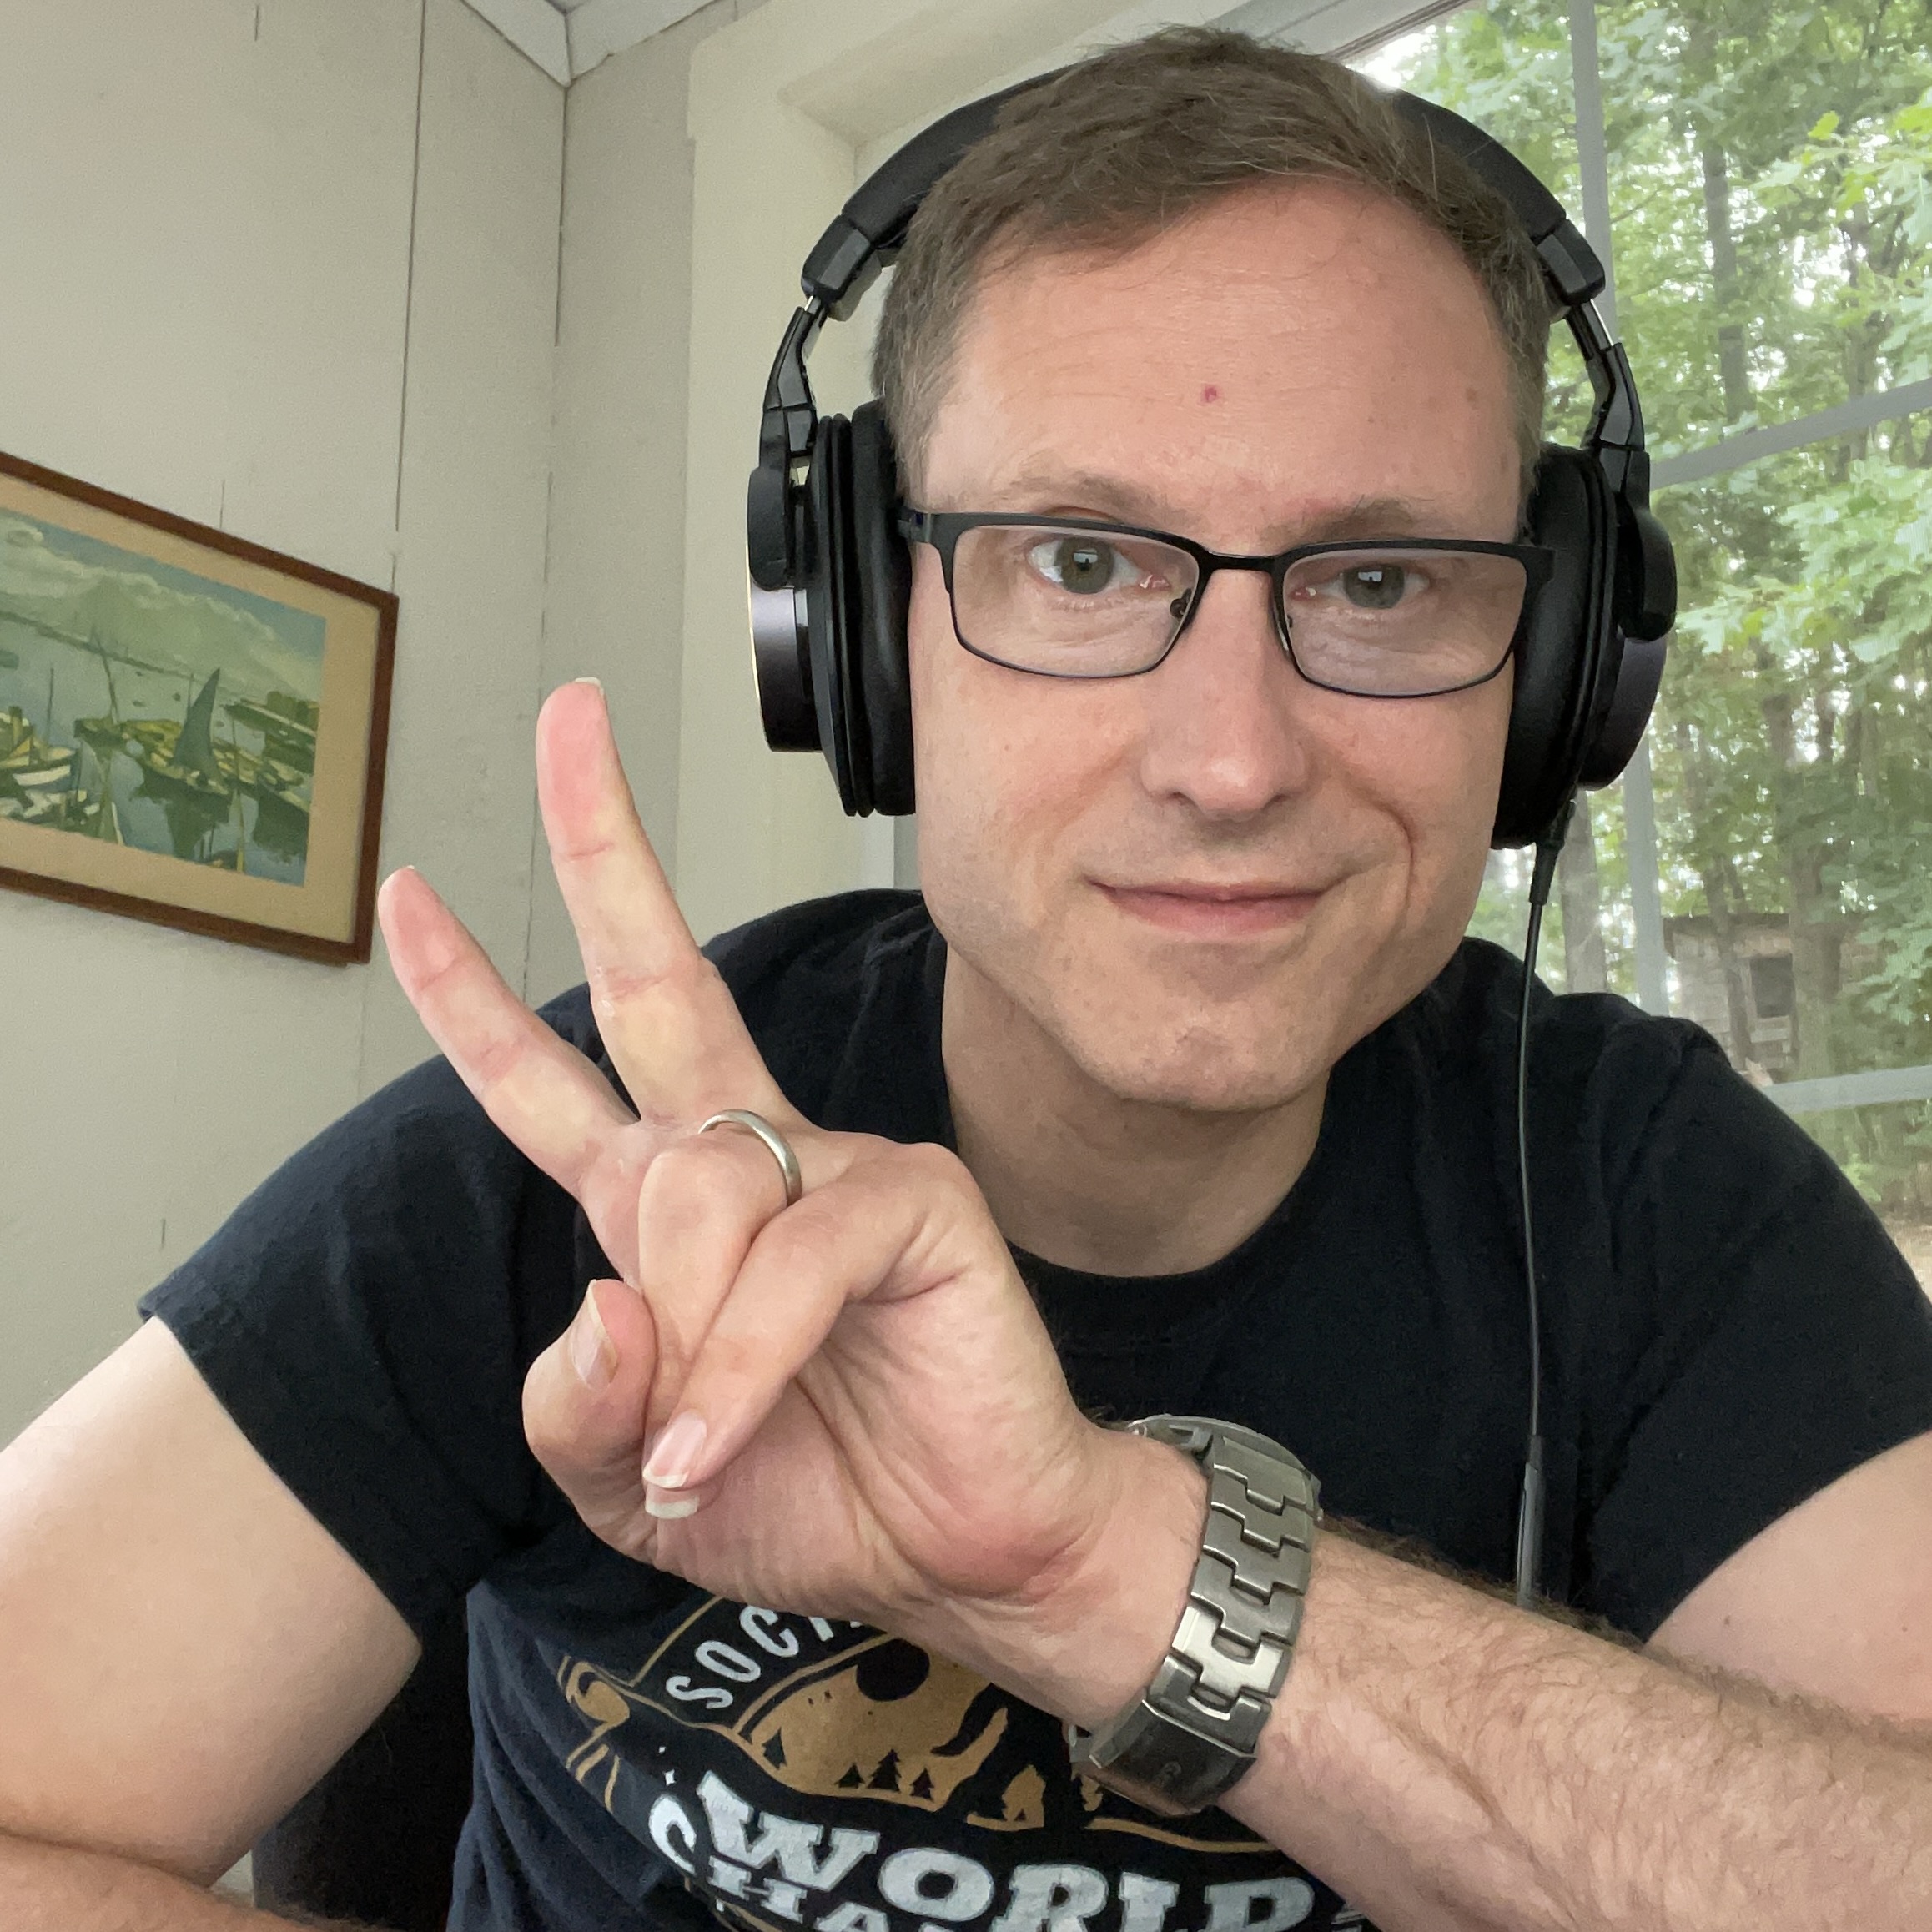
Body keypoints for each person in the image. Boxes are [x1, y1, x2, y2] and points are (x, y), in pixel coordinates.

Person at [3, 27, 1931, 1932]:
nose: (1232, 763)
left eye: (1379, 581)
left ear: (1561, 661)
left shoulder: (1658, 1192)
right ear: (860, 636)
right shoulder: (576, 1162)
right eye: (1079, 564)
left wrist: (1104, 1572)